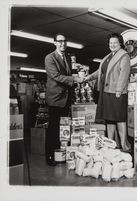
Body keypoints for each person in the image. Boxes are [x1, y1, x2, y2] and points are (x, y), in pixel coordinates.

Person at [84, 33, 131, 152]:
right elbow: (100, 72)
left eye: (115, 42)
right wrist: (88, 77)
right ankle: (112, 144)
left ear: (120, 43)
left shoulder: (124, 56)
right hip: (106, 92)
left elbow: (124, 74)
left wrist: (119, 90)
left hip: (117, 92)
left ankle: (125, 145)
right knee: (109, 119)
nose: (112, 45)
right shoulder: (109, 56)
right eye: (110, 43)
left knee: (120, 119)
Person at [45, 33, 84, 166]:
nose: (62, 43)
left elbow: (68, 74)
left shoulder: (67, 57)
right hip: (56, 98)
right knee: (54, 128)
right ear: (54, 43)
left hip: (66, 98)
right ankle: (50, 155)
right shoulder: (50, 57)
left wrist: (79, 72)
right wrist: (74, 79)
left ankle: (61, 154)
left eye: (64, 41)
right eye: (59, 41)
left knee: (64, 128)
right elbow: (56, 76)